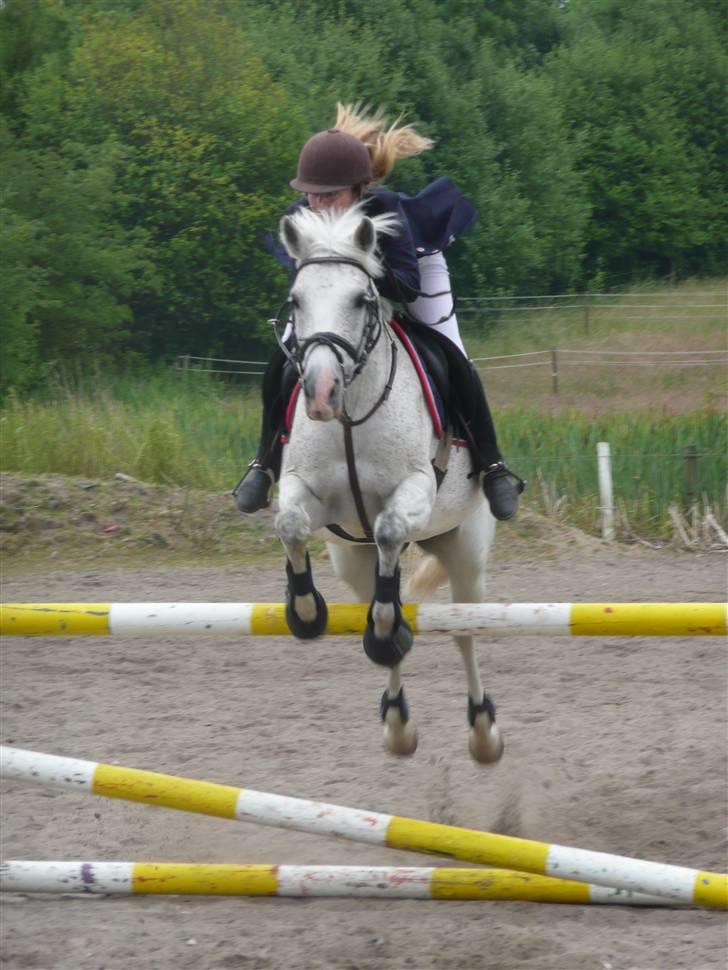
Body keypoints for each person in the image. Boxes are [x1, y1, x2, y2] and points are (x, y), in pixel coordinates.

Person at [233, 103, 524, 520]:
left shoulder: (386, 211)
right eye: (310, 192)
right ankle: (263, 463)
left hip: (409, 274)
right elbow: (311, 286)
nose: (317, 202)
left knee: (450, 353)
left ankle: (493, 465)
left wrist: (361, 272)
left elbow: (407, 285)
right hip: (341, 298)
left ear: (358, 190)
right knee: (284, 355)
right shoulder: (301, 216)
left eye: (329, 194)